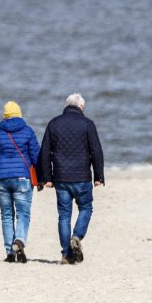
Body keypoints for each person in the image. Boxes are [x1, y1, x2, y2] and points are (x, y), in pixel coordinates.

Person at [36, 93, 104, 264]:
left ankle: (66, 254)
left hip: (61, 178)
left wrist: (46, 177)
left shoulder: (54, 123)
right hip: (82, 177)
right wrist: (99, 176)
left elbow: (44, 152)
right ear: (81, 106)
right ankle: (77, 235)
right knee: (86, 208)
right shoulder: (88, 124)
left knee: (64, 216)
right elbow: (96, 151)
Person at [0, 101, 40, 263]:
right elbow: (36, 156)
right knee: (23, 214)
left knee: (6, 215)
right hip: (22, 178)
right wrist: (42, 178)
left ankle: (10, 252)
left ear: (4, 116)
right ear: (19, 114)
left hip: (0, 179)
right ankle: (19, 240)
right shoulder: (28, 131)